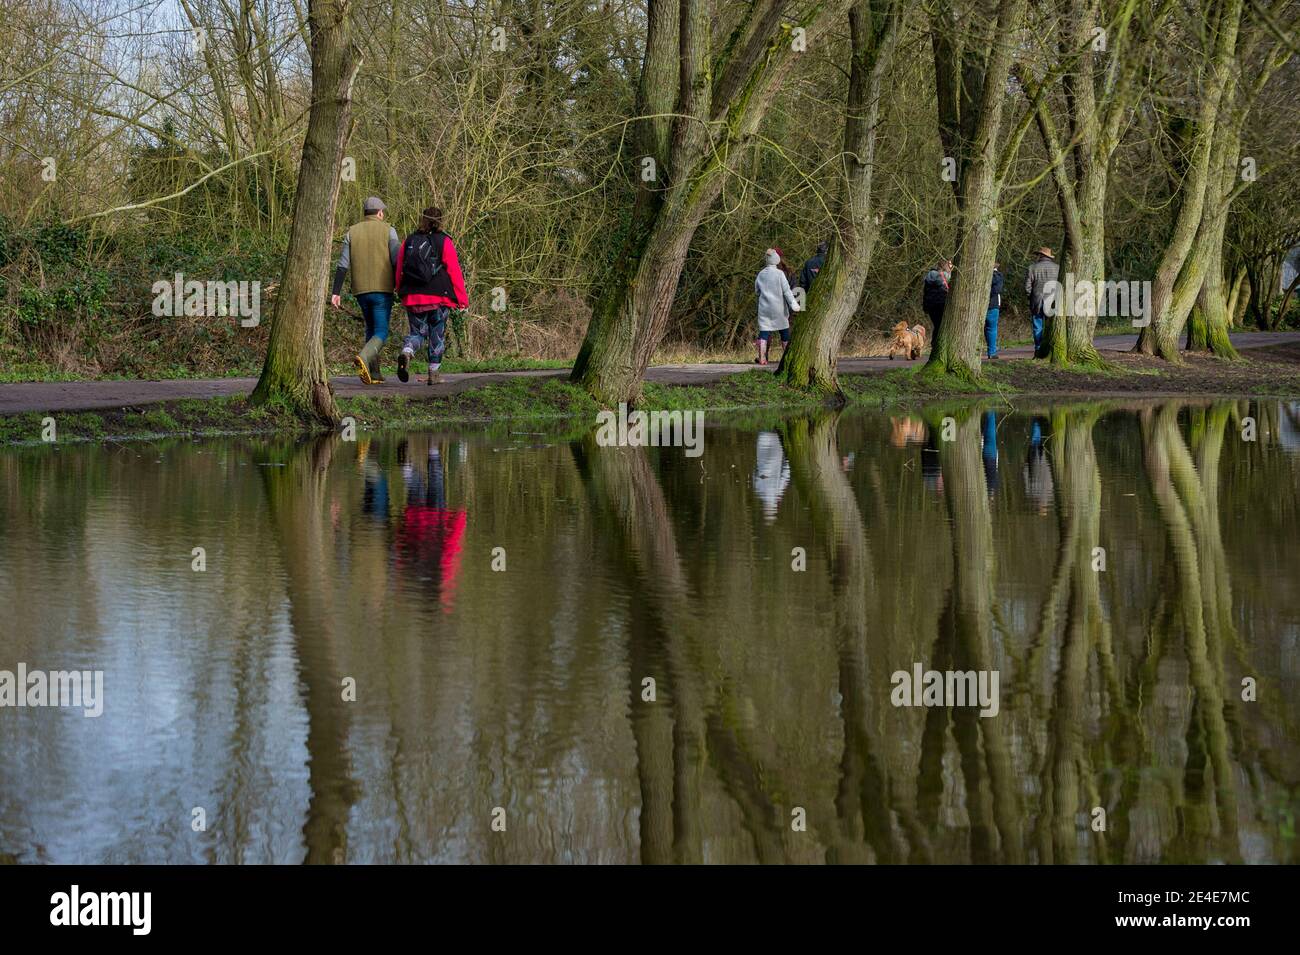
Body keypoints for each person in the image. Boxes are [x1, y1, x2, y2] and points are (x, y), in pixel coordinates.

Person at [394, 206, 468, 385]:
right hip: (438, 298)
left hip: (413, 296)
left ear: (422, 219)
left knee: (417, 333)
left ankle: (408, 349)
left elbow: (399, 268)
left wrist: (399, 289)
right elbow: (454, 271)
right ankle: (433, 375)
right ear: (440, 221)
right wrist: (462, 299)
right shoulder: (444, 241)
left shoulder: (410, 240)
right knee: (437, 334)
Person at [332, 196, 400, 384]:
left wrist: (335, 292)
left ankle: (374, 373)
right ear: (379, 213)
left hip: (360, 291)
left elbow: (342, 265)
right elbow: (397, 260)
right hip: (382, 289)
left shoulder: (352, 232)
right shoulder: (389, 230)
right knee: (381, 331)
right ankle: (363, 356)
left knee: (371, 329)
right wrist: (402, 285)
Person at [755, 248, 801, 365]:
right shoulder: (780, 274)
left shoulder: (761, 274)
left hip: (764, 309)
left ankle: (762, 358)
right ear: (777, 259)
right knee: (784, 332)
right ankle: (787, 358)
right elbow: (787, 291)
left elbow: (757, 290)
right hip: (779, 308)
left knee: (764, 332)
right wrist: (794, 304)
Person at [1025, 247, 1059, 357]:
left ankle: (1038, 349)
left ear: (1040, 255)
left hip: (1037, 300)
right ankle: (1049, 348)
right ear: (1049, 256)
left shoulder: (1032, 268)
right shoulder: (1057, 268)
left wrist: (1031, 296)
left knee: (1037, 325)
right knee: (1051, 326)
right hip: (1053, 300)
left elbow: (1027, 287)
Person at [922, 259, 951, 346]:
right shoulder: (945, 276)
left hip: (930, 306)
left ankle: (935, 343)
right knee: (941, 325)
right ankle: (936, 344)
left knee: (937, 325)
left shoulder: (929, 276)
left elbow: (925, 293)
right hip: (941, 304)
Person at [986, 262, 1004, 359]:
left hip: (979, 304)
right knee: (992, 328)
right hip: (993, 304)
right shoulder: (999, 276)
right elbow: (997, 290)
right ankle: (991, 352)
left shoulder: (978, 274)